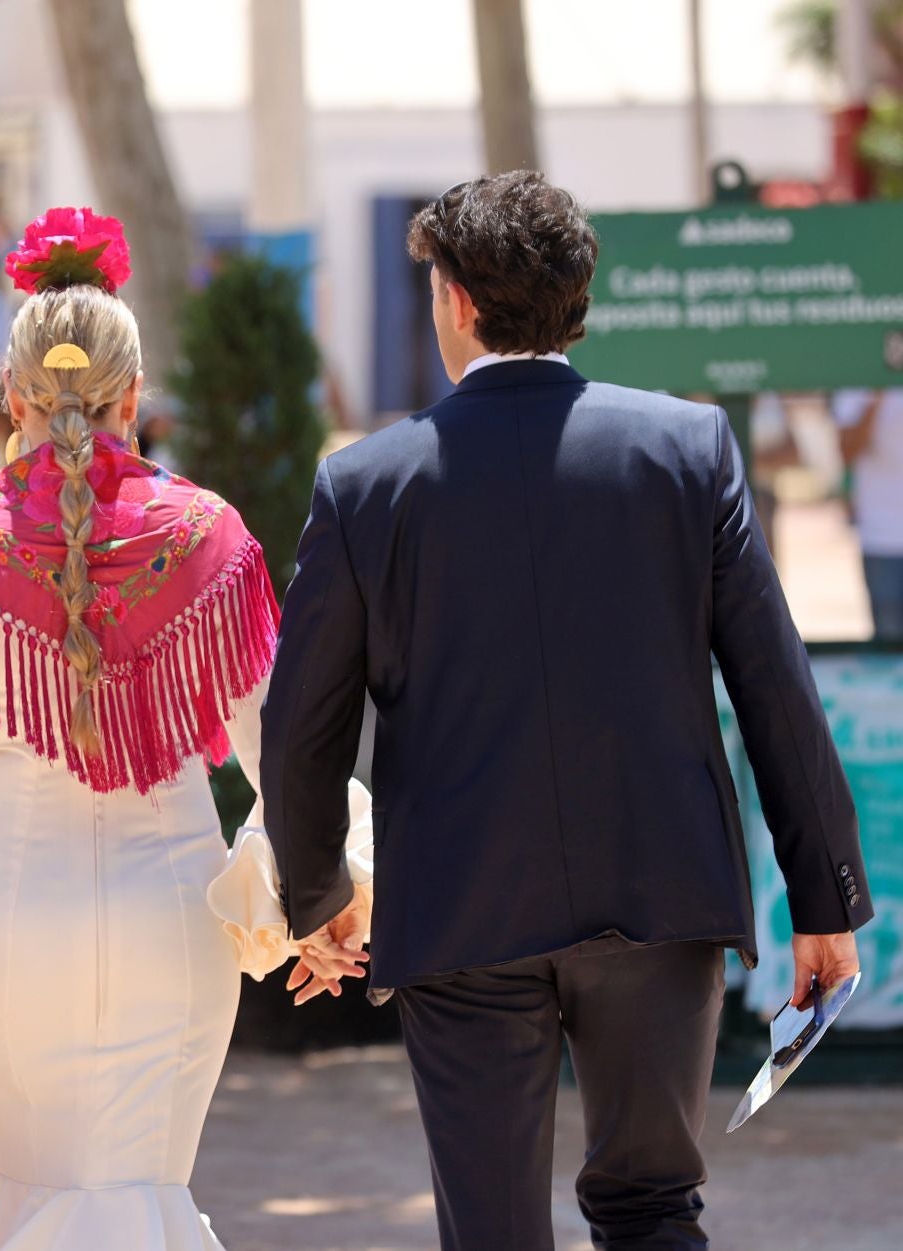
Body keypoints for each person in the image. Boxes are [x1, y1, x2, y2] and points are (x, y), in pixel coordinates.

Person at [260, 172, 871, 1251]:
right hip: (660, 891)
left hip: (459, 911)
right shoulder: (688, 452)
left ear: (452, 301)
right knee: (653, 1212)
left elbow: (302, 724)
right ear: (576, 299)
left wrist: (318, 899)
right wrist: (826, 898)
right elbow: (776, 686)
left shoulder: (366, 484)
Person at [0, 207, 358, 1249]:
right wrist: (323, 903)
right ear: (135, 397)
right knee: (144, 1194)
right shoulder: (212, 539)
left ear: (13, 397)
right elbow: (288, 768)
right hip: (175, 927)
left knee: (37, 1190)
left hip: (11, 931)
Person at [833, 387, 903, 640]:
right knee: (889, 640)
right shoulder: (858, 386)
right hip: (881, 535)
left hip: (880, 534)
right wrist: (876, 398)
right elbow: (847, 450)